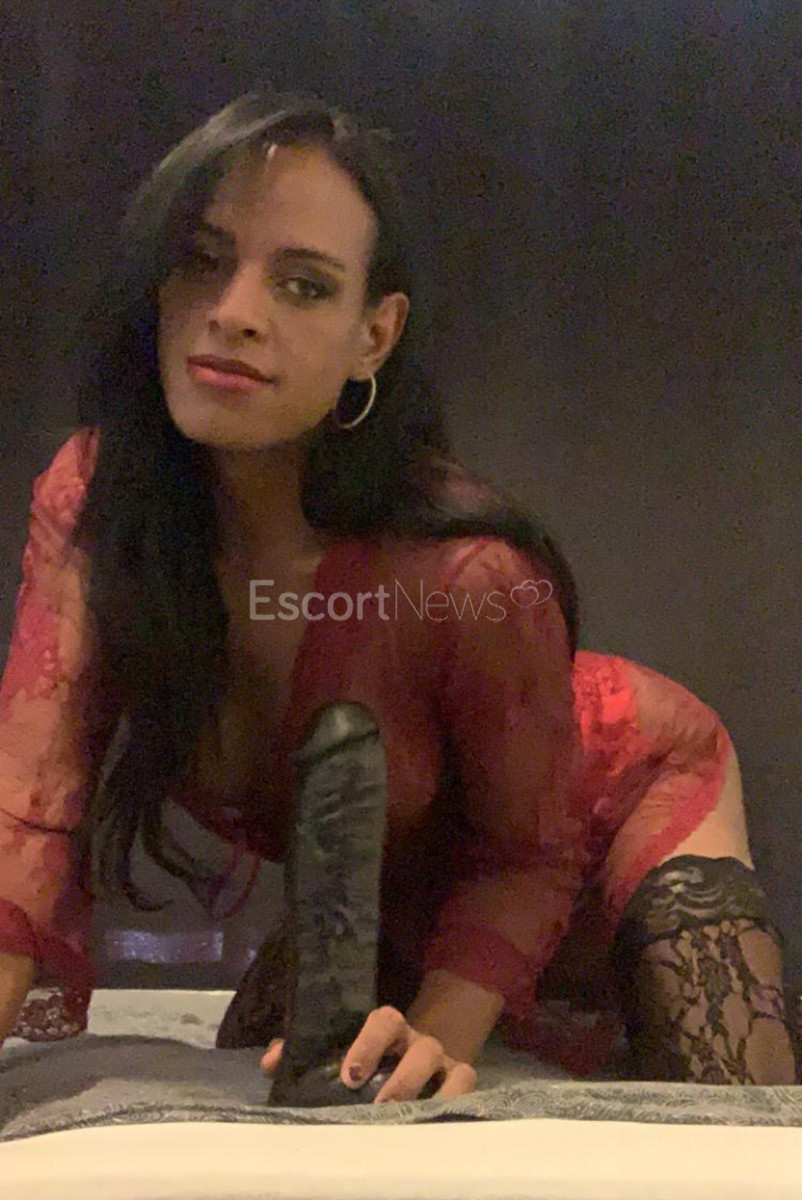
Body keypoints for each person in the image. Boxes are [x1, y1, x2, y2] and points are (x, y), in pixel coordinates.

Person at [0, 89, 796, 1098]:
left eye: (301, 285)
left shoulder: (467, 574)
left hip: (608, 805)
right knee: (282, 1092)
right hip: (396, 878)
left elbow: (526, 851)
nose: (233, 312)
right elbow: (28, 807)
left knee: (732, 1115)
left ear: (372, 337)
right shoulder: (96, 505)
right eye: (200, 259)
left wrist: (441, 1033)